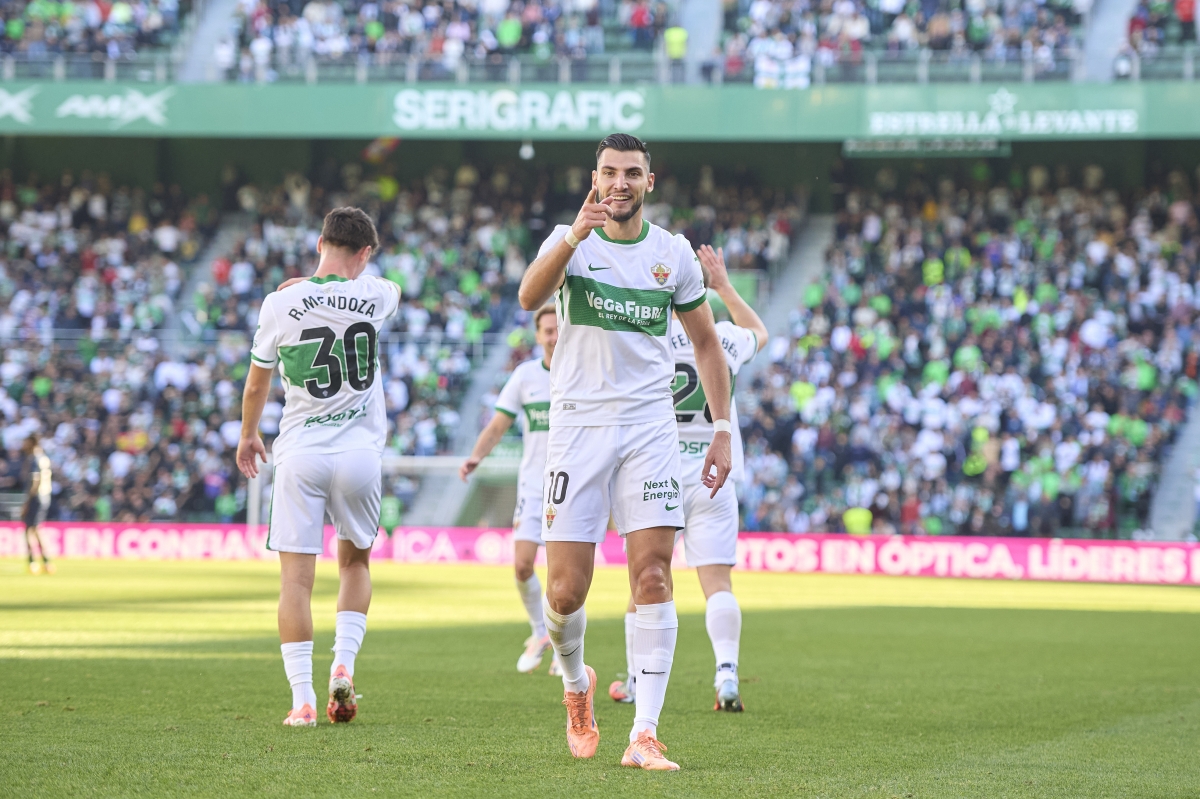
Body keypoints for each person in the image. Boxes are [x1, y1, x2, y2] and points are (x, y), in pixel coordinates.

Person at [518, 133, 733, 771]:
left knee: (654, 576)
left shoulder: (671, 255)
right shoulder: (570, 241)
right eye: (609, 173)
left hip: (648, 429)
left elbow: (705, 345)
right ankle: (577, 685)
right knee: (563, 592)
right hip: (579, 428)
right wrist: (572, 237)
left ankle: (644, 734)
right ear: (594, 178)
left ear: (649, 180)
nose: (619, 183)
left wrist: (721, 428)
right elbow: (530, 298)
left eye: (631, 174)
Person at [236, 207, 401, 728]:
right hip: (359, 456)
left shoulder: (280, 302)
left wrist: (247, 435)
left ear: (318, 241)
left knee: (296, 582)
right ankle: (344, 663)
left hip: (300, 453)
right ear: (366, 253)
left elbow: (258, 382)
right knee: (355, 565)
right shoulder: (378, 294)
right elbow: (365, 285)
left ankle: (303, 701)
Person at [608, 244, 767, 713]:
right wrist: (725, 286)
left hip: (657, 474)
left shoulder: (646, 338)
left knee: (645, 580)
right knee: (717, 582)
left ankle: (637, 680)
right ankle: (727, 674)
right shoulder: (721, 338)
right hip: (713, 474)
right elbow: (758, 330)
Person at [459, 305, 563, 676]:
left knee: (563, 575)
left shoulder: (580, 371)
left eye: (557, 328)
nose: (552, 336)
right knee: (521, 566)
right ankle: (540, 633)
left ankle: (565, 649)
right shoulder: (526, 376)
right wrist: (475, 457)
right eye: (546, 330)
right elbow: (499, 424)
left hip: (572, 486)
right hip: (533, 485)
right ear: (537, 335)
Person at [21, 436, 55, 576]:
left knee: (29, 530)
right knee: (37, 529)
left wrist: (27, 502)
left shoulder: (34, 458)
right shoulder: (44, 457)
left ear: (31, 442)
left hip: (36, 497)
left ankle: (33, 562)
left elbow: (35, 480)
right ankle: (46, 562)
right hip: (45, 496)